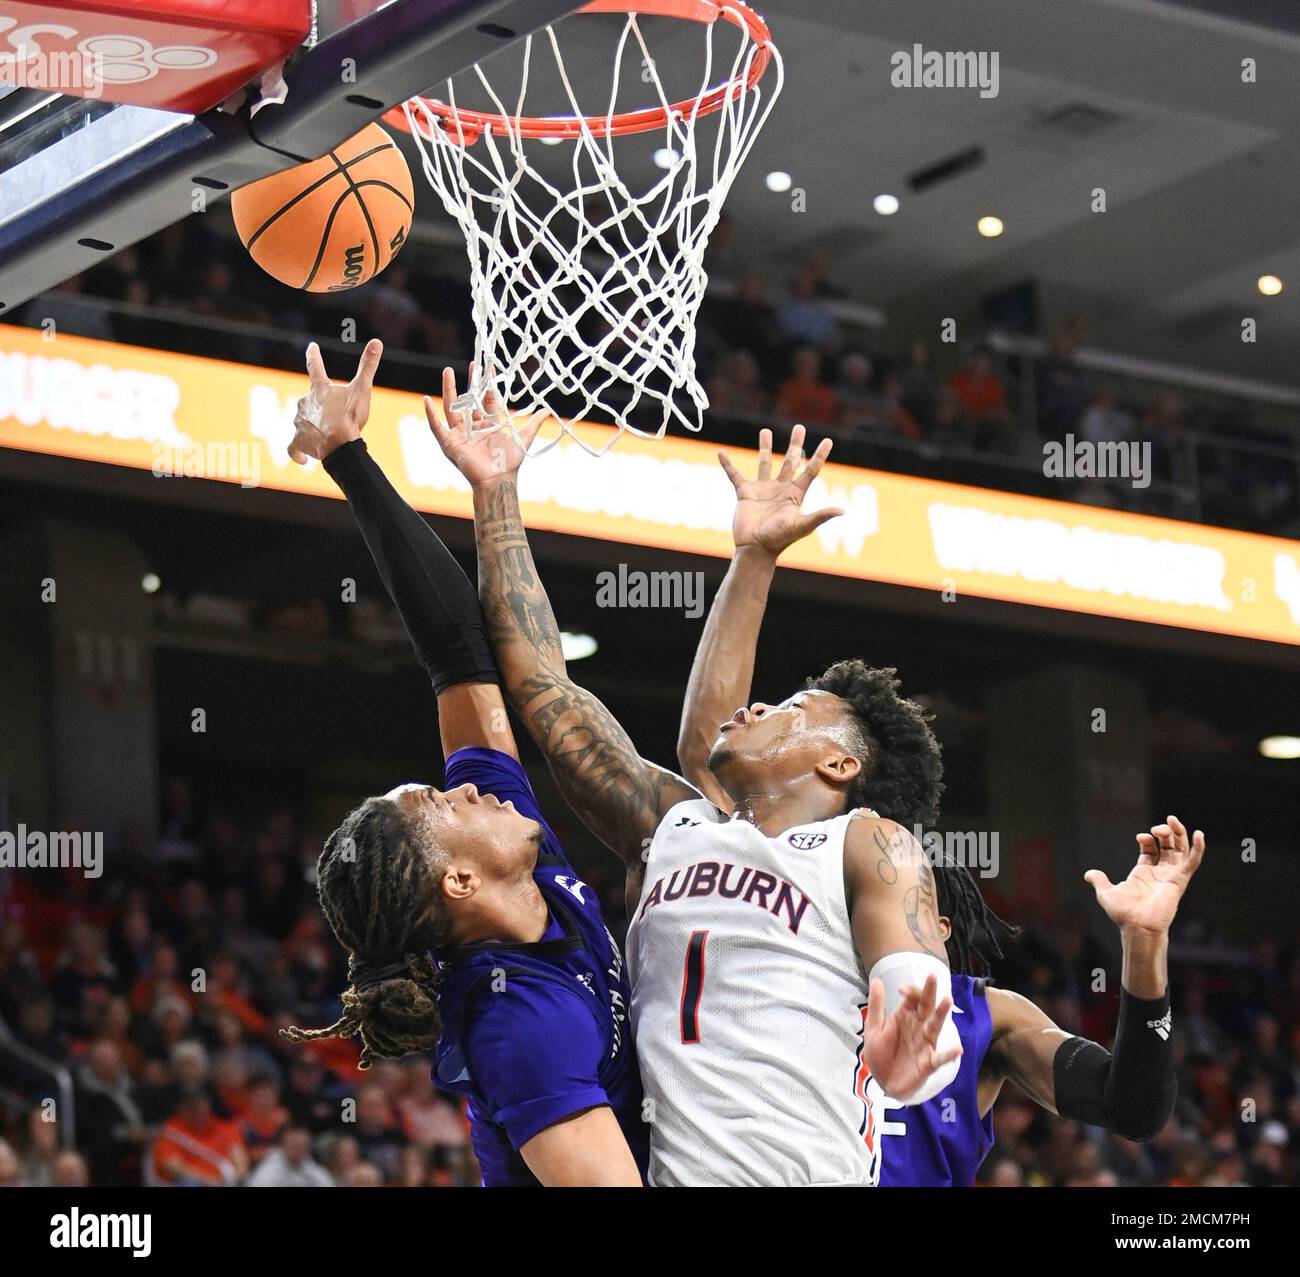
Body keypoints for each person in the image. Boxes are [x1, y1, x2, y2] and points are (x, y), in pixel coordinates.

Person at [427, 376, 964, 1187]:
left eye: (789, 708)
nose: (756, 705)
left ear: (840, 764)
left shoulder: (863, 843)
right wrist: (497, 490)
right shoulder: (675, 825)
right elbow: (543, 684)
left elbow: (919, 1001)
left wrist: (914, 1056)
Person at [676, 426, 1191, 1185]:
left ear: (938, 930)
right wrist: (751, 561)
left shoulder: (983, 1015)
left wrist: (1143, 951)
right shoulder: (773, 938)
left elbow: (1134, 1106)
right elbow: (708, 762)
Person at [279, 342, 645, 1187]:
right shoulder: (518, 1026)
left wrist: (354, 458)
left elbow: (457, 654)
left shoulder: (520, 861)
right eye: (444, 806)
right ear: (459, 882)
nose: (469, 785)